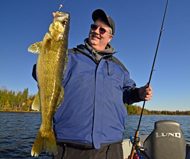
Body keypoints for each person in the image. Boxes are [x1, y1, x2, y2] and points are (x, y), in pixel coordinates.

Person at [32, 9, 153, 159]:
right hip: (70, 148)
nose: (96, 31)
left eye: (102, 30)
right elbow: (41, 74)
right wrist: (53, 44)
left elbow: (127, 93)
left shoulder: (119, 67)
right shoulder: (68, 56)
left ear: (110, 37)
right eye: (93, 27)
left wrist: (139, 94)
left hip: (112, 148)